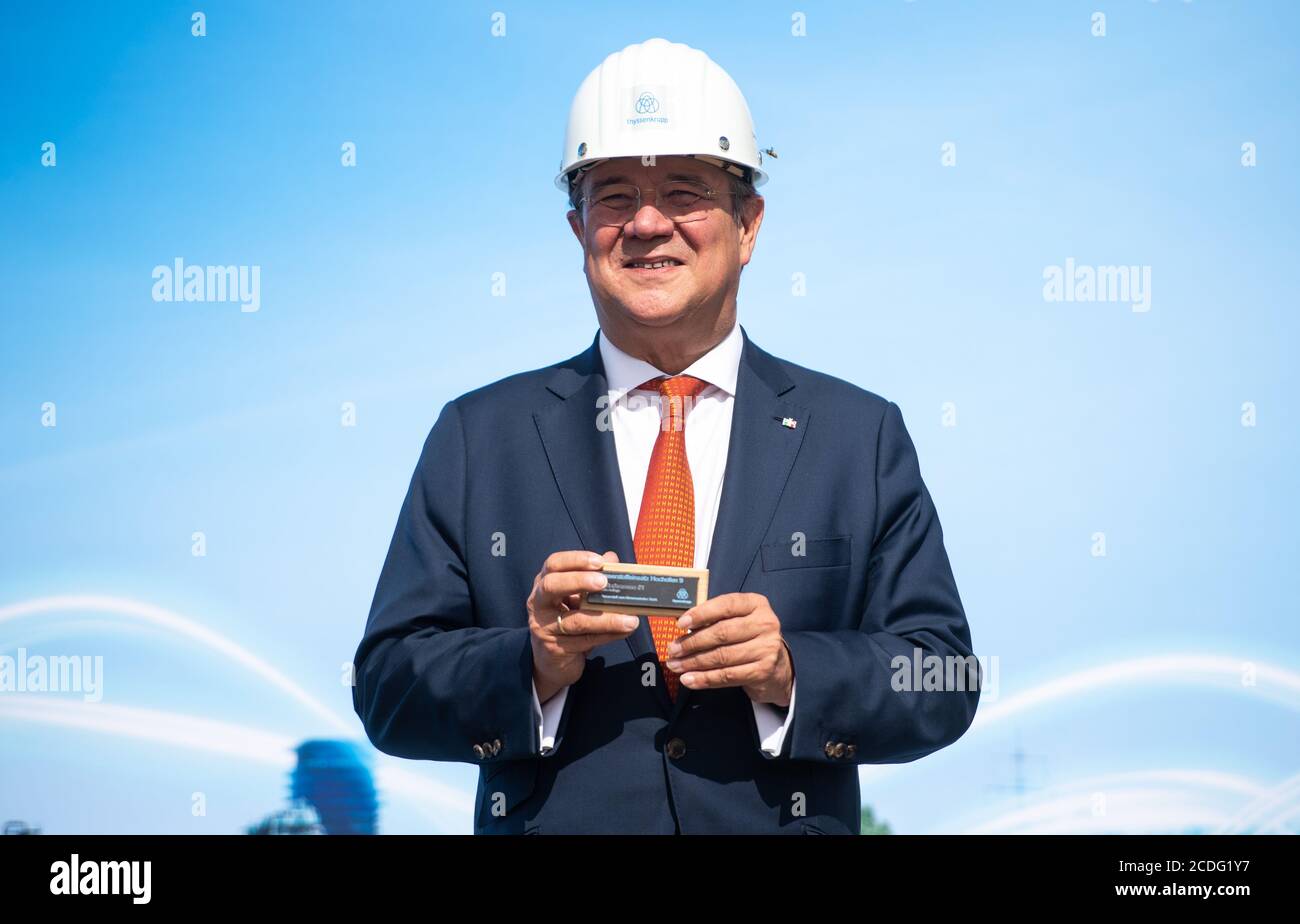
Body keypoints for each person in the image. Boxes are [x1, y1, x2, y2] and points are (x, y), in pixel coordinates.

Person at [352, 37, 979, 834]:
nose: (647, 223)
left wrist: (792, 670)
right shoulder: (480, 437)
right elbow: (385, 687)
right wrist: (532, 662)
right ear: (577, 228)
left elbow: (944, 676)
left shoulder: (858, 436)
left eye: (684, 191)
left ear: (748, 225)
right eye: (613, 195)